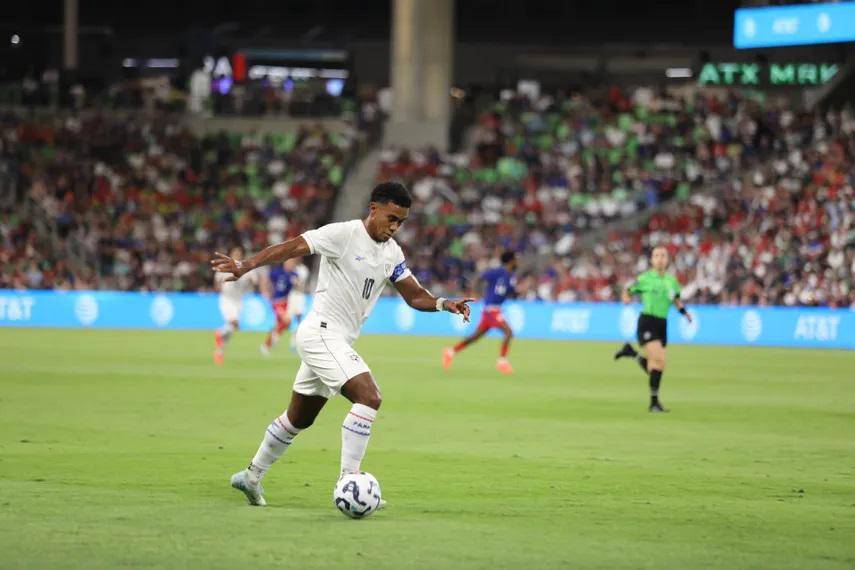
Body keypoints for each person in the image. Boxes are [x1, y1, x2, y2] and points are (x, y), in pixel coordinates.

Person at [211, 182, 474, 508]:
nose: (395, 227)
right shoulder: (344, 235)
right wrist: (245, 265)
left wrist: (444, 303)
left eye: (401, 222)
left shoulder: (392, 252)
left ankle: (250, 477)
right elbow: (293, 247)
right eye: (391, 218)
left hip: (335, 339)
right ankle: (349, 483)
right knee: (369, 396)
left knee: (299, 418)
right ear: (374, 208)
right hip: (321, 333)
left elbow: (414, 294)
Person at [614, 245, 692, 412]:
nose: (660, 259)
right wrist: (626, 298)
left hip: (662, 323)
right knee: (656, 361)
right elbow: (627, 290)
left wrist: (684, 313)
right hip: (647, 321)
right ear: (651, 260)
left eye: (663, 255)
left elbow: (676, 300)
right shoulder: (645, 278)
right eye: (656, 256)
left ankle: (631, 353)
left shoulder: (672, 281)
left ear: (667, 259)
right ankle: (654, 403)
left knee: (658, 365)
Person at [443, 251, 518, 374]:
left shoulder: (511, 276)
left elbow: (510, 293)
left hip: (496, 309)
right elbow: (479, 278)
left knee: (475, 337)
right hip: (491, 310)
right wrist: (474, 293)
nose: (517, 262)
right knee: (508, 332)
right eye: (516, 259)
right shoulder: (498, 272)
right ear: (511, 261)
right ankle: (502, 362)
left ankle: (450, 351)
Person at [213, 246, 259, 365]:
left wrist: (254, 282)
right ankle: (219, 336)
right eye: (235, 253)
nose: (237, 255)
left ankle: (220, 350)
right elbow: (217, 282)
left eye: (239, 253)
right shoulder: (224, 266)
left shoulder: (246, 267)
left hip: (238, 300)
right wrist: (219, 287)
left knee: (232, 328)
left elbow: (255, 280)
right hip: (226, 299)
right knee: (234, 323)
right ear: (231, 254)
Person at [260, 258, 303, 356]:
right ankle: (274, 338)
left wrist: (297, 283)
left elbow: (299, 286)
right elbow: (266, 279)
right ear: (285, 262)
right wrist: (265, 291)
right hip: (277, 302)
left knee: (281, 325)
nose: (291, 264)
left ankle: (266, 345)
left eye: (293, 263)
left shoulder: (294, 275)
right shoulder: (277, 272)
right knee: (286, 320)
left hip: (286, 302)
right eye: (289, 262)